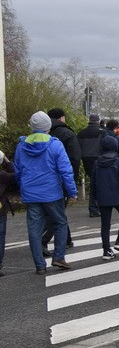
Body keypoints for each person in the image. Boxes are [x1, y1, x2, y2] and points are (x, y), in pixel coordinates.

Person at [13, 112, 78, 274]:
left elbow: (18, 171)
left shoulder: (22, 146)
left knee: (34, 230)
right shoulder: (55, 145)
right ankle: (59, 257)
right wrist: (72, 192)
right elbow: (65, 171)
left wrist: (23, 188)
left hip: (30, 194)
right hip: (52, 193)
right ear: (48, 126)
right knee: (60, 223)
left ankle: (39, 265)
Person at [40, 107, 81, 254]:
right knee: (57, 212)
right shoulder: (67, 133)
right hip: (62, 178)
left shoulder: (43, 132)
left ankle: (67, 239)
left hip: (44, 178)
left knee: (58, 210)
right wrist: (72, 183)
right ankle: (43, 241)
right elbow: (75, 159)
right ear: (62, 118)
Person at [91, 136, 119, 260]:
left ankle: (106, 250)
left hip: (102, 197)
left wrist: (93, 198)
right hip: (118, 196)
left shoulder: (97, 163)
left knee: (105, 224)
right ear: (115, 146)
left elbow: (93, 182)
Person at [77, 113, 106, 217]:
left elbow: (77, 148)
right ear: (98, 121)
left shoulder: (81, 133)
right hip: (99, 159)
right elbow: (105, 146)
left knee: (94, 182)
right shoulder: (102, 132)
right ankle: (96, 207)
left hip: (86, 160)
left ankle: (94, 207)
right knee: (100, 184)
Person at [0, 148, 14, 277]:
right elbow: (15, 174)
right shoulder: (3, 176)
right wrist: (8, 162)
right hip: (0, 209)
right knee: (0, 236)